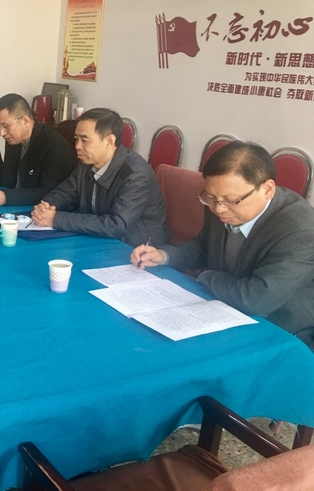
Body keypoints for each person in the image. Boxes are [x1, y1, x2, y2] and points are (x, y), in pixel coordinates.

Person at [131, 141, 314, 349]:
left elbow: (256, 299)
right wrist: (163, 256)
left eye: (230, 200)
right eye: (211, 197)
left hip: (281, 328)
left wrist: (205, 277)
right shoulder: (220, 201)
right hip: (226, 305)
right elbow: (204, 246)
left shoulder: (301, 231)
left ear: (267, 189)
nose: (218, 209)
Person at [31, 108, 169, 246]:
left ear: (109, 141)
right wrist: (46, 207)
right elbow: (64, 192)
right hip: (99, 239)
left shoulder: (136, 175)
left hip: (135, 248)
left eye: (85, 140)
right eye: (76, 139)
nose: (77, 146)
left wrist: (57, 219)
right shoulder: (86, 163)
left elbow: (117, 225)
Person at [0, 93, 76, 206]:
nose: (2, 133)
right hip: (16, 203)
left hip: (39, 210)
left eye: (6, 126)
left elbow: (49, 192)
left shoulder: (55, 146)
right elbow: (7, 174)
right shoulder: (14, 139)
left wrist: (6, 197)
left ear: (25, 121)